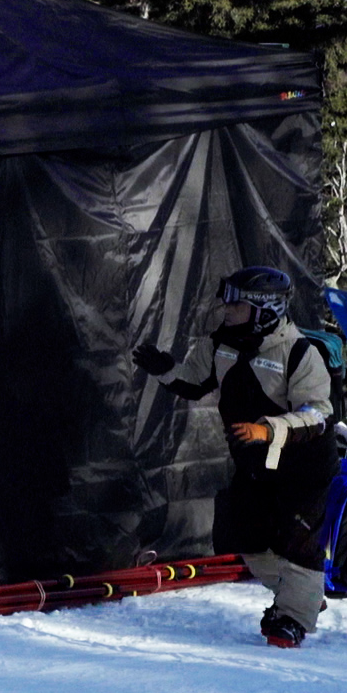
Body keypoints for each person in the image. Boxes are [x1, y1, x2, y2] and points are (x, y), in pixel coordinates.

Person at [133, 266, 334, 647]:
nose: (226, 309)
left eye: (236, 303)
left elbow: (318, 414)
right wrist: (164, 371)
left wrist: (268, 428)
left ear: (264, 309)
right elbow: (195, 382)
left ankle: (293, 618)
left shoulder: (299, 352)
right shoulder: (221, 344)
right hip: (256, 462)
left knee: (297, 542)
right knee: (242, 535)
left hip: (303, 463)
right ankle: (304, 596)